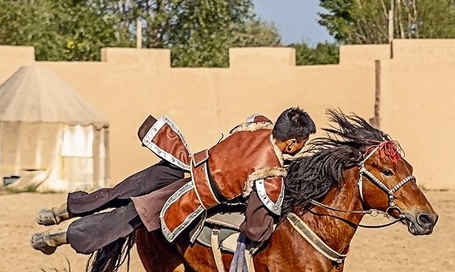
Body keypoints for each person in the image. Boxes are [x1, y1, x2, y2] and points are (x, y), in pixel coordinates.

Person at [31, 107, 315, 257]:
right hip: (185, 193)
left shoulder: (259, 124)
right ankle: (54, 239)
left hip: (179, 166)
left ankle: (56, 213)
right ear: (291, 143)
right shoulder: (270, 174)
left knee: (116, 192)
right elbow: (255, 227)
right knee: (122, 221)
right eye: (302, 143)